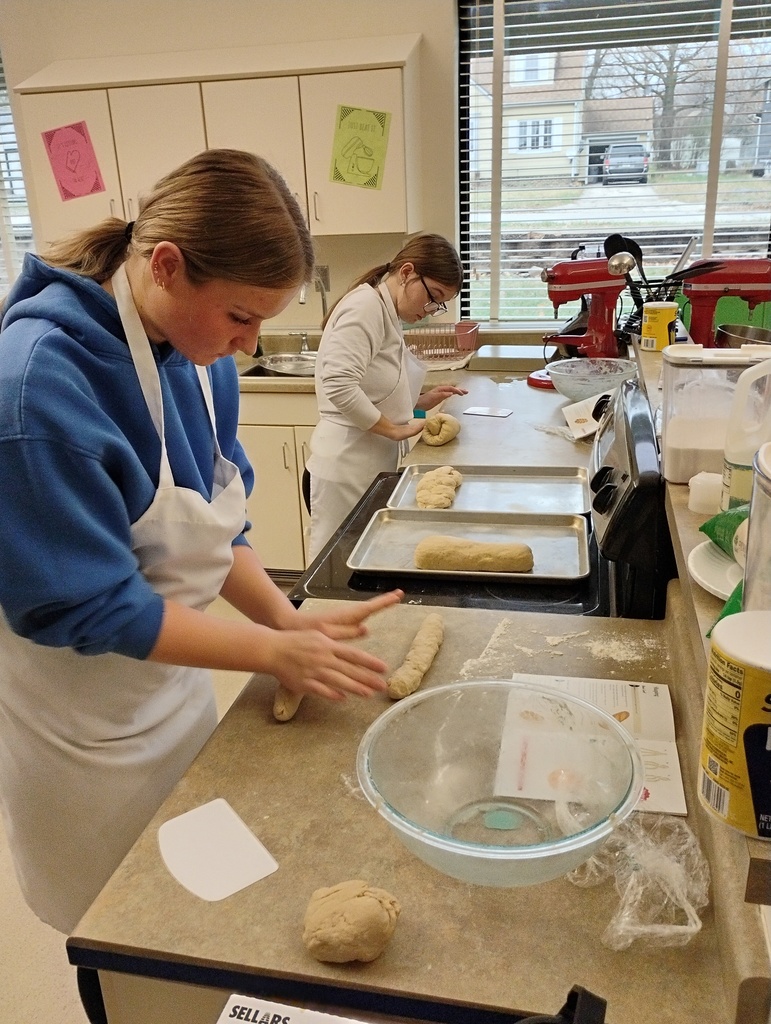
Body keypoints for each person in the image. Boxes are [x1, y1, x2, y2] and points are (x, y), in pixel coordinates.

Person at [0, 149, 402, 943]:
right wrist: (265, 650)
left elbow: (216, 527)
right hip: (84, 730)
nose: (251, 344)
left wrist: (281, 622)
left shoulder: (196, 354)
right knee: (118, 936)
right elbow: (90, 606)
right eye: (242, 316)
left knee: (194, 914)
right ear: (168, 266)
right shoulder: (39, 387)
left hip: (178, 689)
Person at [307, 234, 468, 559]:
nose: (432, 310)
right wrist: (393, 429)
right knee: (332, 570)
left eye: (440, 303)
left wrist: (419, 402)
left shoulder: (386, 311)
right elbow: (338, 384)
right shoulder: (365, 307)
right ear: (407, 273)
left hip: (367, 464)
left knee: (358, 560)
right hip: (344, 467)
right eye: (433, 297)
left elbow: (374, 387)